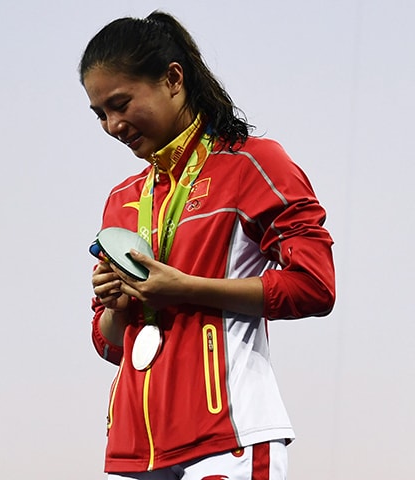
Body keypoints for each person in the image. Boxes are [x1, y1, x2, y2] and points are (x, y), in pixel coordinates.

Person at [80, 11, 335, 480]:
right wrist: (116, 303)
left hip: (230, 437)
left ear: (173, 78)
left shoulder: (251, 164)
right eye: (100, 114)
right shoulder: (120, 201)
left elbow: (315, 285)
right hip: (135, 453)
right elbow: (109, 341)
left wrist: (185, 288)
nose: (113, 125)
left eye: (121, 103)